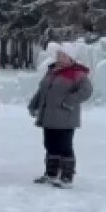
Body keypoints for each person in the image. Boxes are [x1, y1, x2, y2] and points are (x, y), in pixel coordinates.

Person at [27, 45, 93, 187]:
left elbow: (87, 91)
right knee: (50, 144)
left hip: (66, 117)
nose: (60, 58)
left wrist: (69, 101)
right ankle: (51, 173)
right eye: (58, 55)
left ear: (71, 58)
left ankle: (67, 177)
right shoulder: (52, 71)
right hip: (49, 116)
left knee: (65, 146)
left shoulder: (77, 73)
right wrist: (34, 104)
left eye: (63, 55)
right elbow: (42, 90)